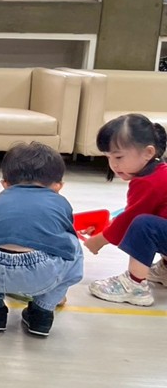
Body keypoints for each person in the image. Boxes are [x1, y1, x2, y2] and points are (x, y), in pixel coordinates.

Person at [0, 142, 83, 336]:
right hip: (41, 274)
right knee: (73, 245)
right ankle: (42, 312)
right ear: (58, 186)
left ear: (5, 184)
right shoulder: (60, 202)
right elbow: (62, 243)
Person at [85, 114, 167, 306]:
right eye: (108, 158)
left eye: (119, 157)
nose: (113, 164)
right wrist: (110, 226)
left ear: (148, 153)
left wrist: (99, 240)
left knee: (144, 225)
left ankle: (134, 285)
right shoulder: (159, 173)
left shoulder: (148, 183)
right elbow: (132, 212)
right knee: (152, 222)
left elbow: (131, 219)